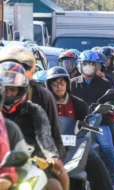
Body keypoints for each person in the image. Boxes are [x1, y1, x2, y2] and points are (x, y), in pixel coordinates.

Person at [0, 62, 69, 190]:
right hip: (2, 162)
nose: (8, 94)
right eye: (5, 90)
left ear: (22, 90)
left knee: (56, 184)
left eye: (13, 90)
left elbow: (44, 135)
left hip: (32, 159)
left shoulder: (34, 110)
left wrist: (51, 156)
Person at [71, 50, 114, 189]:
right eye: (85, 63)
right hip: (77, 124)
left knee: (107, 147)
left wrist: (106, 108)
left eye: (92, 64)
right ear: (80, 65)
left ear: (97, 66)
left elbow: (111, 101)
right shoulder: (72, 83)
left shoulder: (104, 83)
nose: (88, 67)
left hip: (100, 123)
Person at [45, 66, 113, 190]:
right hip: (50, 148)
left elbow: (86, 121)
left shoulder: (78, 103)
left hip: (74, 145)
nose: (58, 86)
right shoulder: (43, 104)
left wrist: (88, 126)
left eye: (61, 82)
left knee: (97, 164)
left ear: (67, 83)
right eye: (54, 83)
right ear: (49, 86)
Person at [0, 45, 65, 159]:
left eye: (19, 67)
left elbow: (51, 134)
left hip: (34, 159)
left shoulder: (42, 96)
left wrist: (55, 159)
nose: (11, 71)